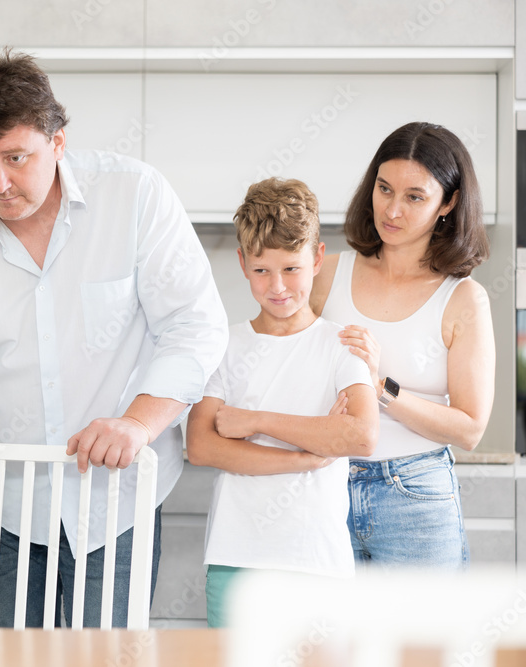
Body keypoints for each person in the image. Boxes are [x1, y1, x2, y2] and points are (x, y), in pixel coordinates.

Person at [0, 47, 228, 628]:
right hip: (3, 509)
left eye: (16, 158)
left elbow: (195, 327)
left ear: (58, 140)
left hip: (116, 504)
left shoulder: (137, 196)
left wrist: (139, 423)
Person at [186, 177, 379, 628]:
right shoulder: (223, 346)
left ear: (316, 258)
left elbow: (360, 435)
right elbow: (202, 446)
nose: (277, 287)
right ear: (242, 263)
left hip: (317, 563)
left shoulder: (342, 345)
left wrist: (253, 421)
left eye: (291, 269)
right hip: (236, 561)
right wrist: (307, 457)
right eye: (261, 270)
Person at [311, 121, 495, 568]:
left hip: (416, 498)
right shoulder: (325, 274)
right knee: (327, 637)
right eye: (384, 188)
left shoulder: (463, 298)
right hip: (324, 484)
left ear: (447, 203)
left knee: (423, 639)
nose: (392, 210)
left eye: (415, 197)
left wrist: (378, 387)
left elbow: (469, 429)